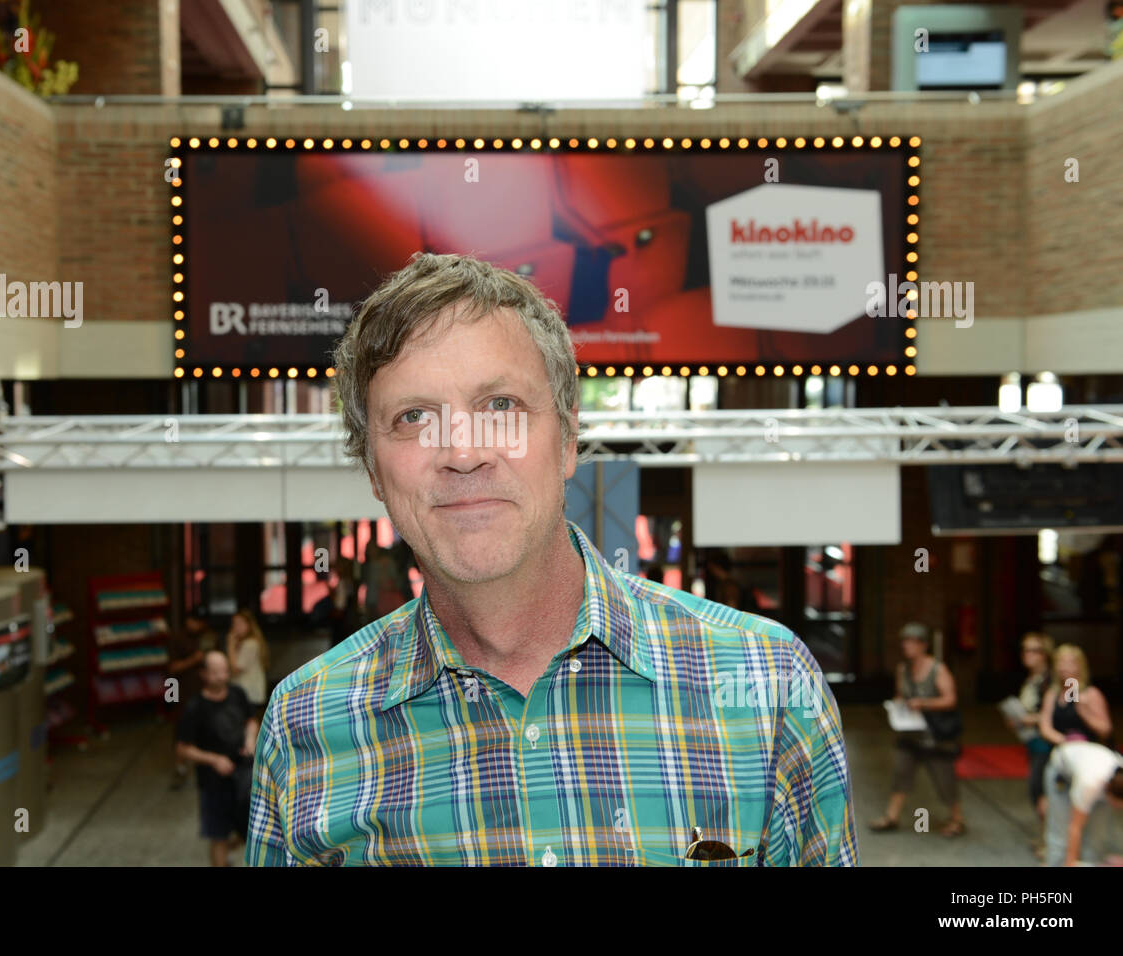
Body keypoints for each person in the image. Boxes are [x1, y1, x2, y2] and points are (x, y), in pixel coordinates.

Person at [245, 251, 856, 866]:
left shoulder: (770, 688)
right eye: (413, 417)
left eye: (501, 406)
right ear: (373, 470)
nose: (463, 453)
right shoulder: (305, 729)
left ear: (567, 440)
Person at [870, 622, 966, 837]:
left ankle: (957, 819)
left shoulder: (937, 669)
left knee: (944, 778)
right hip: (910, 732)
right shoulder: (902, 669)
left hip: (934, 735)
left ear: (923, 645)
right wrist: (897, 706)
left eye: (911, 642)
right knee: (901, 772)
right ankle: (891, 816)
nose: (906, 646)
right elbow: (900, 694)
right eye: (904, 641)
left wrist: (923, 703)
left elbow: (951, 699)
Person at [175, 650, 259, 866]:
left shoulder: (237, 693)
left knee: (250, 831)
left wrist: (250, 740)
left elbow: (251, 721)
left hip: (243, 777)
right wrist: (214, 760)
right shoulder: (195, 707)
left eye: (224, 671)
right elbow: (183, 749)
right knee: (218, 836)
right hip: (213, 783)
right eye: (215, 672)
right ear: (203, 674)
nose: (221, 676)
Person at [1005, 632, 1054, 856]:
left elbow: (1066, 711)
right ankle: (1046, 837)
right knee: (1037, 791)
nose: (1028, 655)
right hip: (1032, 742)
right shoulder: (1031, 679)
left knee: (1042, 791)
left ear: (1046, 654)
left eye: (1034, 650)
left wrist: (1031, 719)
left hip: (1047, 744)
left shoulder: (1053, 680)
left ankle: (1050, 841)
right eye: (1025, 649)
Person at [1041, 740, 1123, 866]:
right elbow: (1075, 827)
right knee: (1061, 840)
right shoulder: (1089, 784)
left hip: (1094, 767)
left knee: (1096, 841)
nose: (1118, 809)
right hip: (1062, 772)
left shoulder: (1117, 777)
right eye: (1118, 805)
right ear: (1110, 794)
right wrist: (1070, 863)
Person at [166, 608, 217, 789]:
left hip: (205, 693)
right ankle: (180, 768)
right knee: (181, 731)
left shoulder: (208, 636)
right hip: (181, 693)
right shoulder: (177, 639)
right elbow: (171, 670)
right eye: (196, 621)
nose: (198, 626)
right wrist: (170, 699)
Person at [1038, 643, 1113, 748]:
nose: (1064, 667)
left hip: (1091, 750)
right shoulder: (1051, 694)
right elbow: (1045, 728)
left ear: (1080, 666)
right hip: (1063, 750)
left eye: (1070, 663)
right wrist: (1067, 741)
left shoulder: (1090, 693)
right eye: (1060, 662)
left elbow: (1105, 730)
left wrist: (1085, 712)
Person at [226, 609, 270, 717]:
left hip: (248, 693)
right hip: (247, 692)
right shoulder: (245, 642)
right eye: (234, 624)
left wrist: (230, 646)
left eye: (240, 623)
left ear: (249, 625)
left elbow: (235, 669)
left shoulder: (250, 644)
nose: (236, 627)